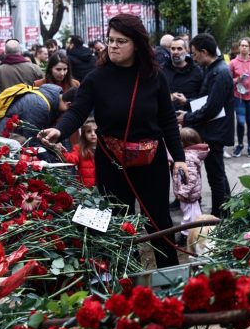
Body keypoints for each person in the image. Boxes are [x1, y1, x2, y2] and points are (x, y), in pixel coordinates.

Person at [38, 14, 188, 268]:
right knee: (117, 224)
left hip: (152, 162)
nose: (114, 46)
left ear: (137, 44)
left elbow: (168, 121)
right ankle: (125, 278)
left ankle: (169, 280)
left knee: (159, 222)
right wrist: (58, 131)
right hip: (112, 163)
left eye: (121, 41)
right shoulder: (97, 78)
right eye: (111, 40)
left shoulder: (155, 77)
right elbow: (77, 111)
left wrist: (180, 159)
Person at [177, 33, 234, 219]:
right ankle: (226, 210)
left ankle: (220, 215)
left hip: (215, 131)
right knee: (218, 173)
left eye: (194, 54)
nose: (192, 58)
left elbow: (211, 108)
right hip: (212, 130)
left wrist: (187, 119)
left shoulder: (220, 72)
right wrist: (187, 103)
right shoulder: (213, 70)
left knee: (215, 175)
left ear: (204, 52)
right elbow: (206, 101)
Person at [172, 127, 209, 245]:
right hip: (190, 193)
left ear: (183, 143)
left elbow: (191, 178)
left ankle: (186, 236)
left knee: (189, 216)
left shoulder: (187, 158)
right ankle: (198, 233)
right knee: (194, 214)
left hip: (188, 194)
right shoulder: (191, 155)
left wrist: (183, 192)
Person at [163, 36, 203, 113]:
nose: (175, 52)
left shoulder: (197, 71)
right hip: (167, 119)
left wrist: (187, 104)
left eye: (179, 48)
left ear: (186, 50)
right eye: (173, 48)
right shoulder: (162, 70)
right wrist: (170, 96)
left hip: (190, 120)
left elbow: (204, 100)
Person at [63, 118, 97, 188]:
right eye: (89, 131)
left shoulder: (106, 147)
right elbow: (72, 160)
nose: (93, 134)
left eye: (96, 131)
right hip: (85, 189)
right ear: (84, 134)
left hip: (102, 188)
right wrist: (61, 151)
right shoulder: (79, 148)